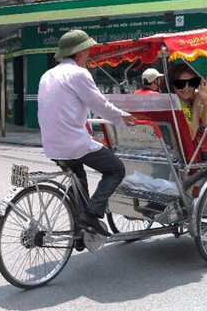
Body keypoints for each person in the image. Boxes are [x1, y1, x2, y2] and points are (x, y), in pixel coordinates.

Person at [38, 29, 136, 237]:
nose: (89, 55)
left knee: (79, 184)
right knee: (116, 169)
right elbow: (98, 104)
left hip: (52, 144)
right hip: (73, 142)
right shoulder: (79, 74)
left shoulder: (47, 74)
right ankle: (91, 215)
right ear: (80, 52)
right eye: (87, 51)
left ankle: (80, 234)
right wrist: (122, 117)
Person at [169, 63, 207, 139]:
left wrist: (206, 102)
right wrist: (196, 103)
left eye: (192, 83)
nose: (186, 88)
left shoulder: (192, 100)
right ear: (172, 86)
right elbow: (191, 135)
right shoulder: (173, 104)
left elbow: (206, 122)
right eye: (180, 84)